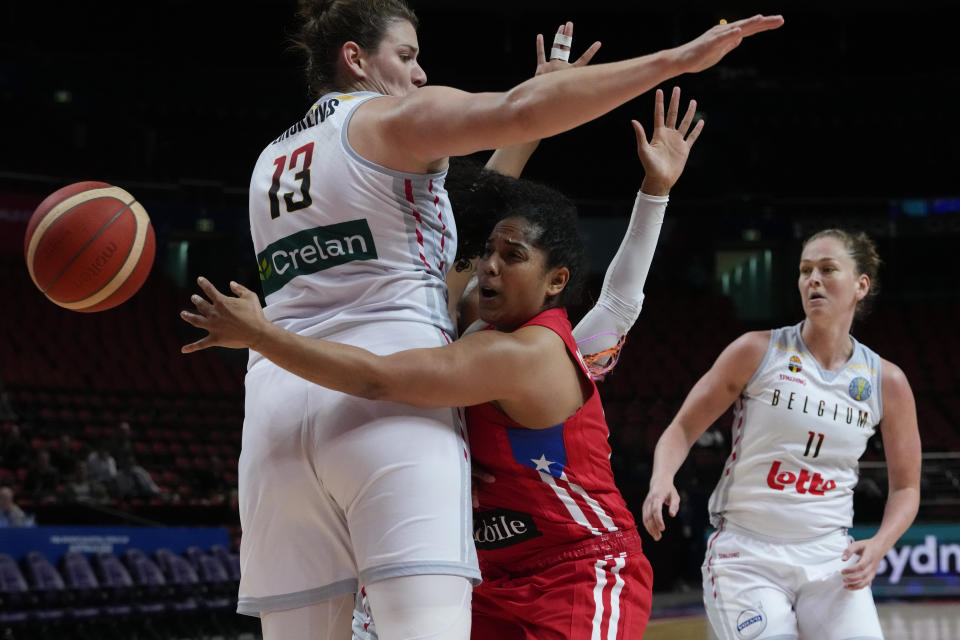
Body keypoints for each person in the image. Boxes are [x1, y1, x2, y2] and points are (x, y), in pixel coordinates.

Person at [213, 0, 782, 635]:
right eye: (406, 56)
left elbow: (475, 220)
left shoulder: (269, 163)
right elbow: (514, 112)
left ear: (555, 280)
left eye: (508, 257)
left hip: (275, 416)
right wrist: (680, 59)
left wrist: (263, 336)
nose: (421, 74)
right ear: (357, 59)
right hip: (388, 416)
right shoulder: (394, 135)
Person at [641, 229, 921, 640]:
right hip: (746, 555)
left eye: (828, 269)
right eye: (805, 270)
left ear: (861, 285)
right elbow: (681, 429)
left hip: (829, 558)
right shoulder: (756, 352)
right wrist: (661, 480)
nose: (813, 280)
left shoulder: (887, 382)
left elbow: (907, 488)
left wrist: (880, 543)